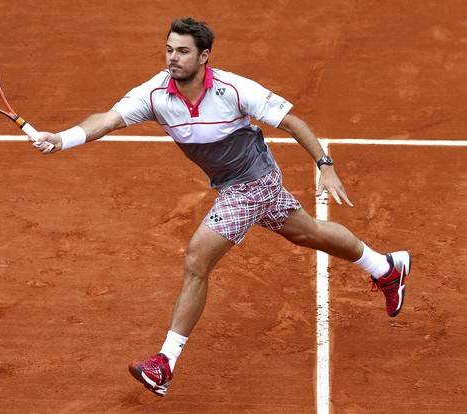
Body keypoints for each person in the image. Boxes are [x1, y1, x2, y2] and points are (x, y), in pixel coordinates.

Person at [30, 17, 411, 397]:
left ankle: (164, 363)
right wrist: (63, 139)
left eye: (182, 52)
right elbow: (108, 120)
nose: (173, 59)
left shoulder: (233, 89)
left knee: (197, 260)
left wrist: (324, 165)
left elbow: (292, 122)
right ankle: (385, 267)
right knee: (307, 232)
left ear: (204, 57)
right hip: (234, 183)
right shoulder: (154, 94)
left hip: (253, 182)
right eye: (169, 50)